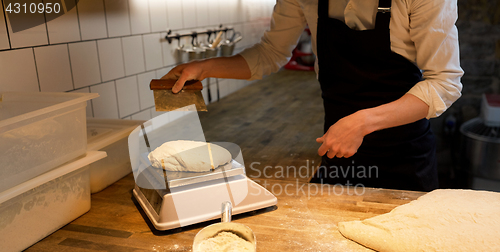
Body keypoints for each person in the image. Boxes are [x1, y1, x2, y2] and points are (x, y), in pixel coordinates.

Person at [163, 0, 463, 191]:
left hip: (404, 157)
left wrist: (361, 123)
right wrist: (205, 67)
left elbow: (444, 82)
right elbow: (270, 53)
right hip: (336, 153)